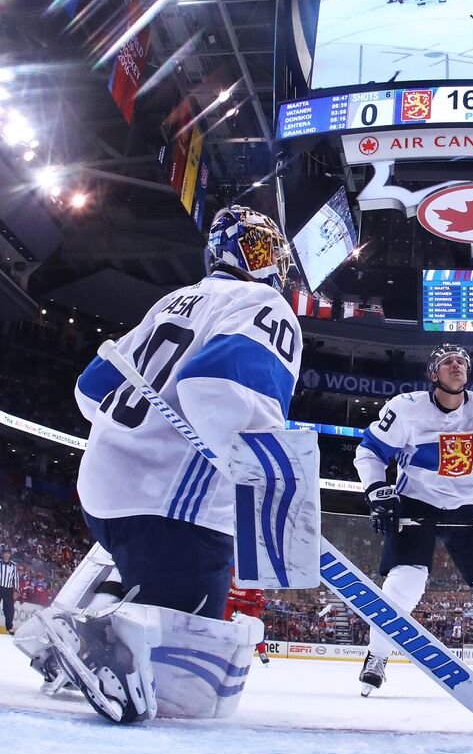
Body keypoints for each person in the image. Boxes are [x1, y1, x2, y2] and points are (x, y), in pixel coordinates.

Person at [19, 206, 300, 723]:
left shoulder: (173, 301)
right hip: (172, 507)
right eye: (258, 248)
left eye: (270, 251)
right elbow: (218, 389)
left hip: (104, 490)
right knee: (189, 695)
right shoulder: (264, 302)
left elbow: (88, 391)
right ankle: (101, 643)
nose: (268, 263)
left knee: (140, 574)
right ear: (227, 251)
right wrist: (264, 476)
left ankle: (72, 628)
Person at [352, 343, 473, 695]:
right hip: (415, 503)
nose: (456, 366)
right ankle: (377, 656)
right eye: (447, 362)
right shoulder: (406, 408)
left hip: (467, 506)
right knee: (403, 585)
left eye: (461, 362)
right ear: (432, 374)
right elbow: (368, 452)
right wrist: (378, 491)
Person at [224, 576, 269, 665]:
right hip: (228, 601)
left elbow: (258, 585)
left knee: (256, 627)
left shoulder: (251, 567)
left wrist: (259, 598)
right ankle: (217, 647)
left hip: (247, 603)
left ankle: (262, 652)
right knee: (220, 622)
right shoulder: (228, 565)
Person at [0, 548, 16, 634]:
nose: (6, 555)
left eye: (7, 553)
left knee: (9, 610)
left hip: (8, 590)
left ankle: (9, 627)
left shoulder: (13, 565)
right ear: (3, 554)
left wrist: (16, 590)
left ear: (10, 555)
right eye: (4, 553)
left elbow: (15, 579)